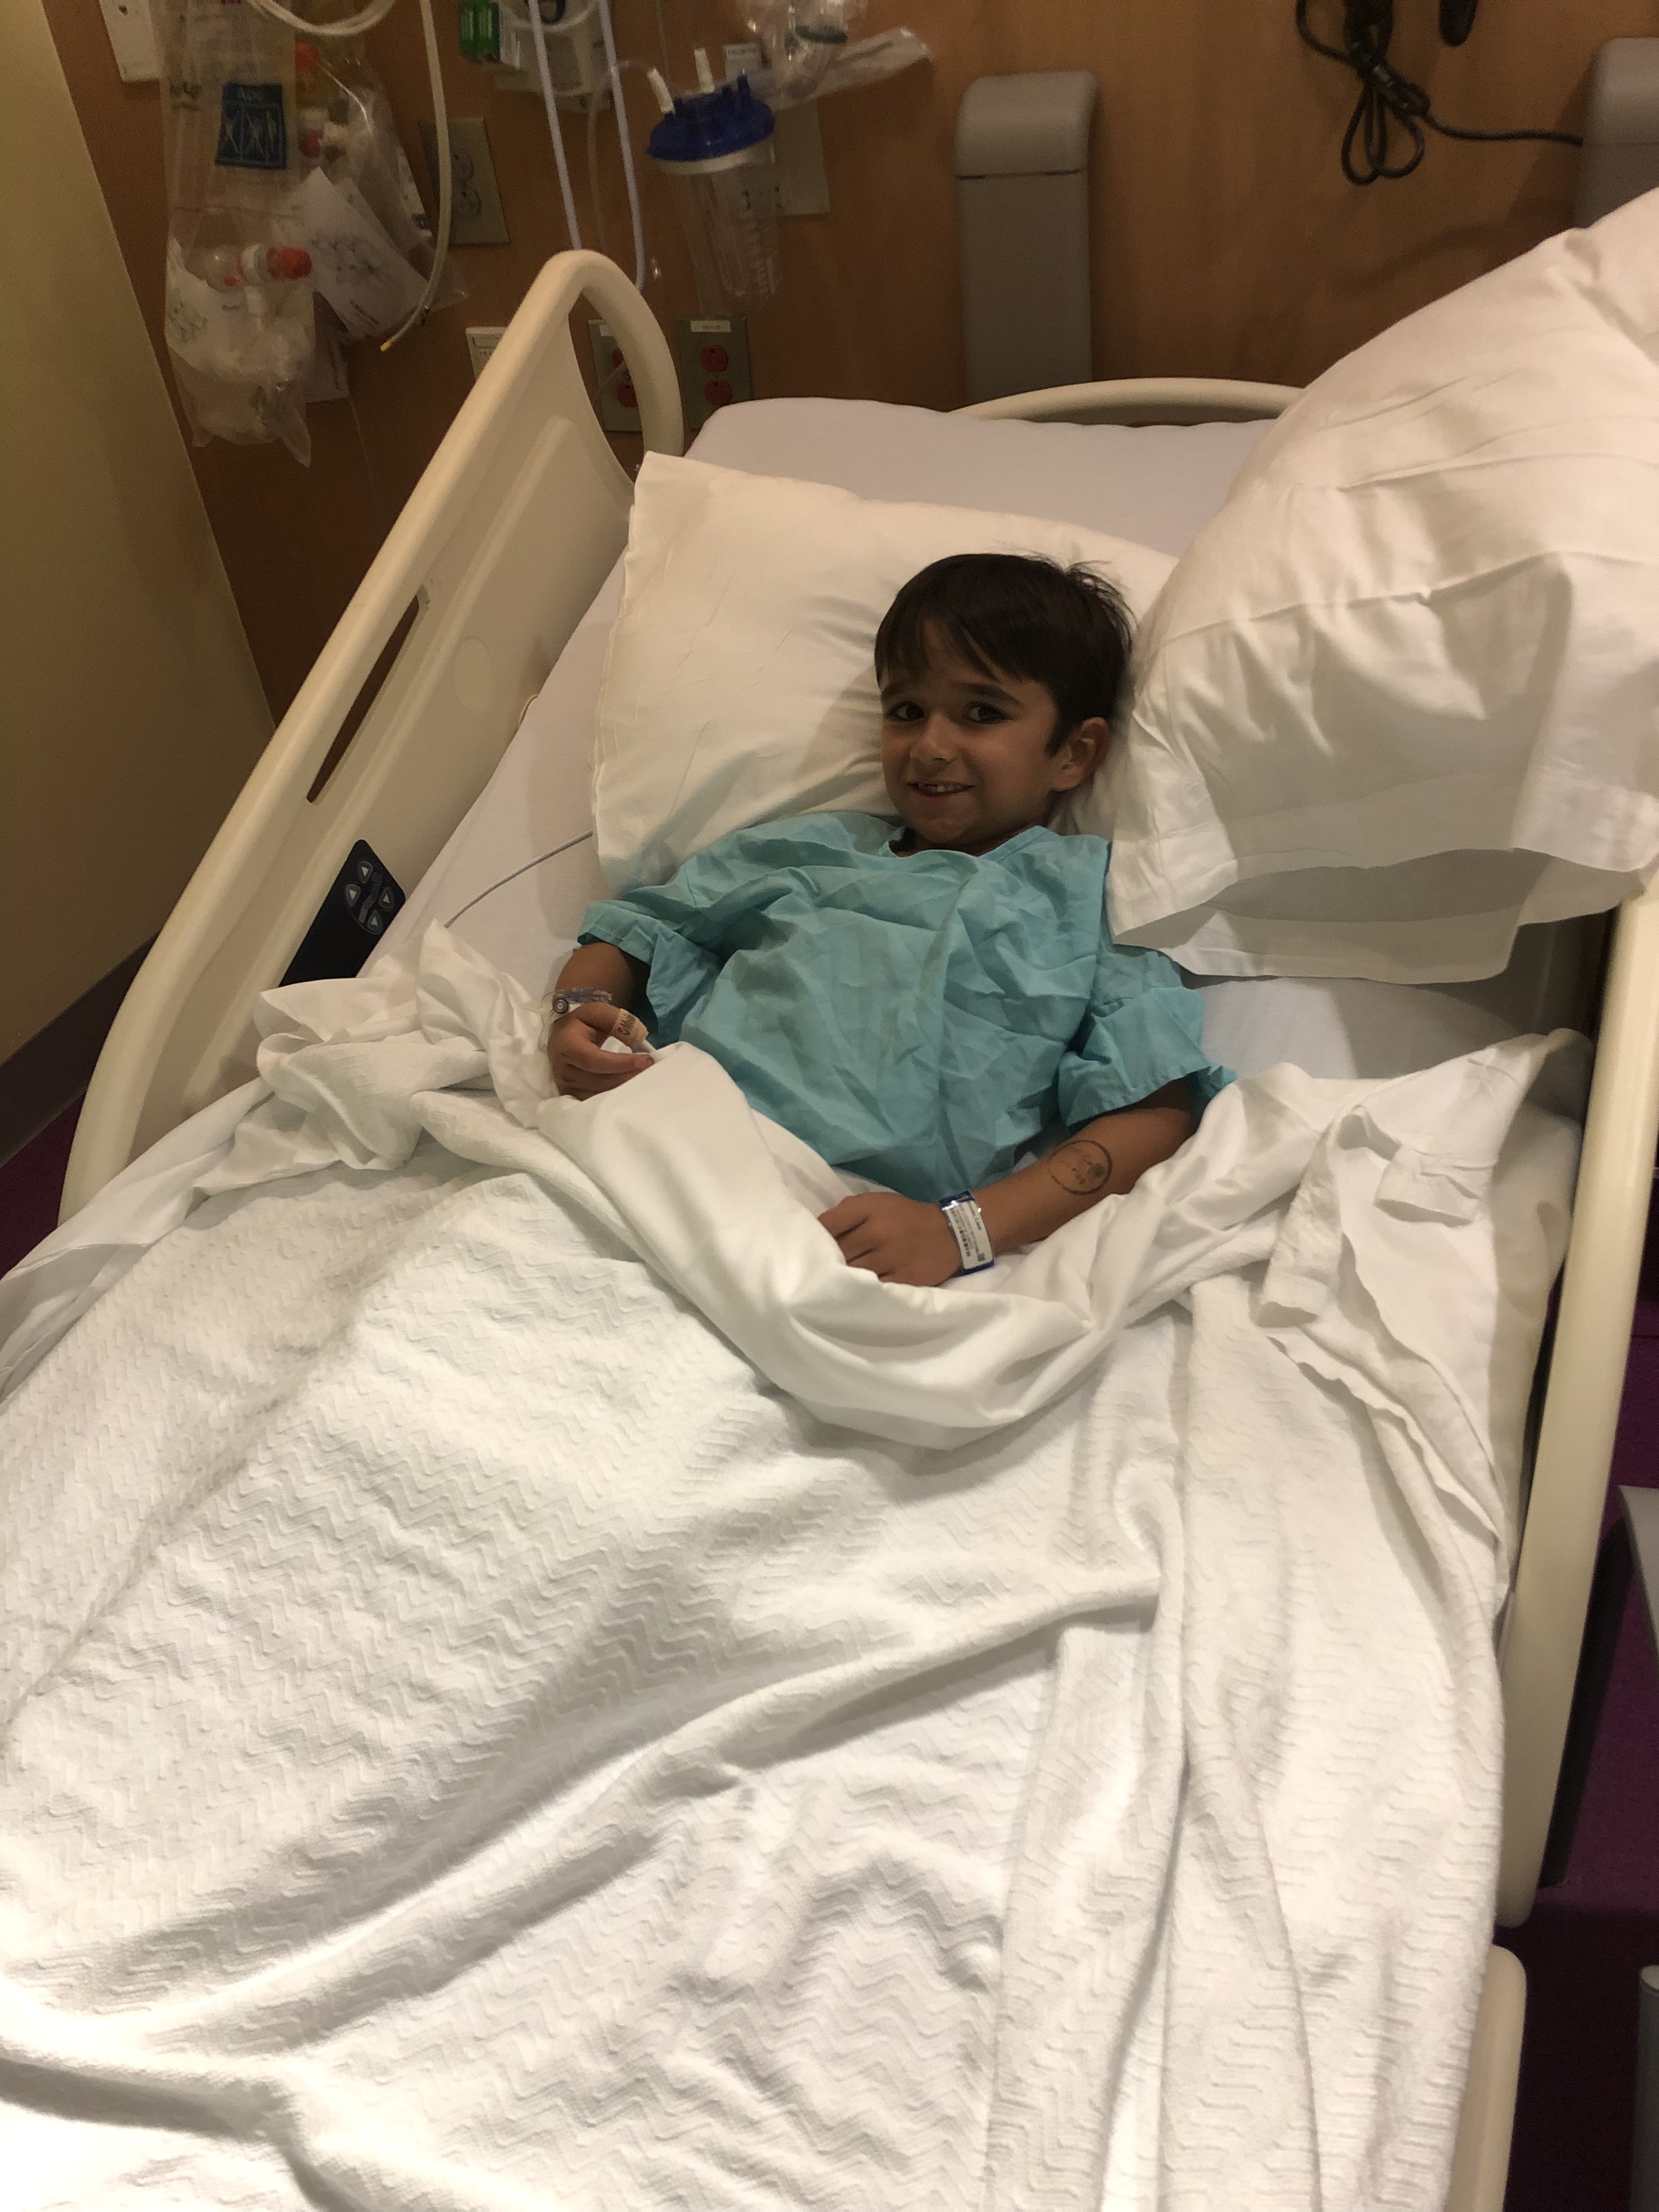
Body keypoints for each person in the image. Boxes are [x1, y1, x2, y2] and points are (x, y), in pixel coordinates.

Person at [548, 552, 1232, 1287]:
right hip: (671, 1134)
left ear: (1074, 753)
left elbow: (1153, 1111)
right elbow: (639, 929)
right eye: (906, 711)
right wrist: (576, 1011)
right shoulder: (807, 849)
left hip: (847, 1221)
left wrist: (963, 1231)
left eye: (982, 713)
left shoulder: (1088, 900)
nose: (930, 746)